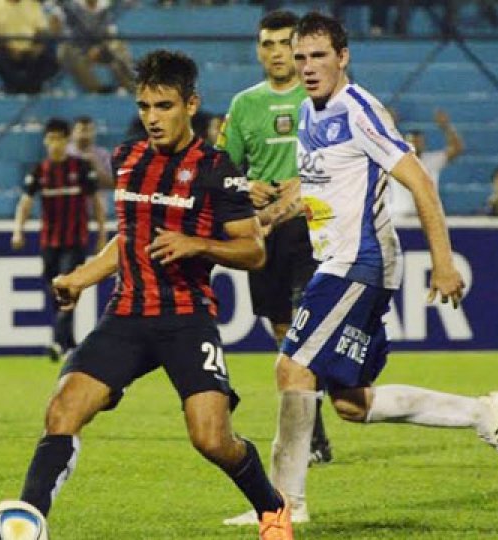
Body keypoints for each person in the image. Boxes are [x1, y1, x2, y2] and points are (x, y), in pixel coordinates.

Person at [0, 50, 294, 540]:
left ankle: (272, 507)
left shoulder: (217, 169)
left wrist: (197, 243)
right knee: (63, 408)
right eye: (144, 107)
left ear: (191, 104)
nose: (152, 119)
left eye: (164, 106)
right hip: (127, 316)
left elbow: (253, 250)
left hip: (186, 318)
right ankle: (24, 523)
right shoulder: (127, 159)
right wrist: (81, 278)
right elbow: (128, 239)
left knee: (211, 438)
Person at [226, 12, 498, 525]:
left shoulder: (360, 111)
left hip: (357, 262)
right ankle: (481, 412)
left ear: (343, 57)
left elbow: (421, 183)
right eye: (301, 58)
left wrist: (444, 264)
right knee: (350, 403)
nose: (308, 67)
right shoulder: (309, 113)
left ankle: (282, 508)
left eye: (319, 56)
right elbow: (312, 182)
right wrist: (269, 218)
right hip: (340, 261)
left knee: (291, 367)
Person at [215, 10, 332, 490]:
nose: (277, 51)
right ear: (259, 49)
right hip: (263, 233)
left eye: (285, 42)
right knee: (284, 331)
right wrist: (250, 185)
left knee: (306, 325)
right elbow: (223, 173)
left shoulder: (320, 94)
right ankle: (317, 433)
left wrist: (300, 185)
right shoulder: (244, 105)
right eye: (268, 43)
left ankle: (314, 435)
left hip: (315, 226)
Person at [12, 118, 107, 361]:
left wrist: (102, 233)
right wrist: (18, 230)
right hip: (49, 242)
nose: (55, 144)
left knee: (66, 286)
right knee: (54, 290)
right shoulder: (39, 171)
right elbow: (25, 202)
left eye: (59, 139)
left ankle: (56, 341)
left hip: (75, 240)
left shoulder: (81, 168)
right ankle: (69, 343)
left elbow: (96, 201)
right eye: (51, 139)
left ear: (67, 141)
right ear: (46, 141)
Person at [390, 108, 464, 219]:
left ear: (424, 144)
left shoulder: (431, 160)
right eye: (412, 142)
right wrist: (388, 124)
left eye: (418, 142)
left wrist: (446, 127)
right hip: (399, 216)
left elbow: (457, 149)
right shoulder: (394, 160)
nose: (415, 145)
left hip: (426, 218)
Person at [0, 0, 60, 94]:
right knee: (3, 61)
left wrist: (37, 47)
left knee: (49, 58)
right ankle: (16, 90)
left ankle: (33, 89)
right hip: (2, 50)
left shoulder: (33, 4)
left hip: (29, 51)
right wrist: (11, 49)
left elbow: (41, 30)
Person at [52, 0, 133, 93]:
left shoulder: (106, 5)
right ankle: (96, 90)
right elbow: (56, 28)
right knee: (64, 50)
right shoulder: (69, 5)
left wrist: (99, 48)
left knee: (118, 46)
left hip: (101, 48)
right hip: (77, 48)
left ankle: (131, 89)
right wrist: (86, 49)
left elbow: (110, 34)